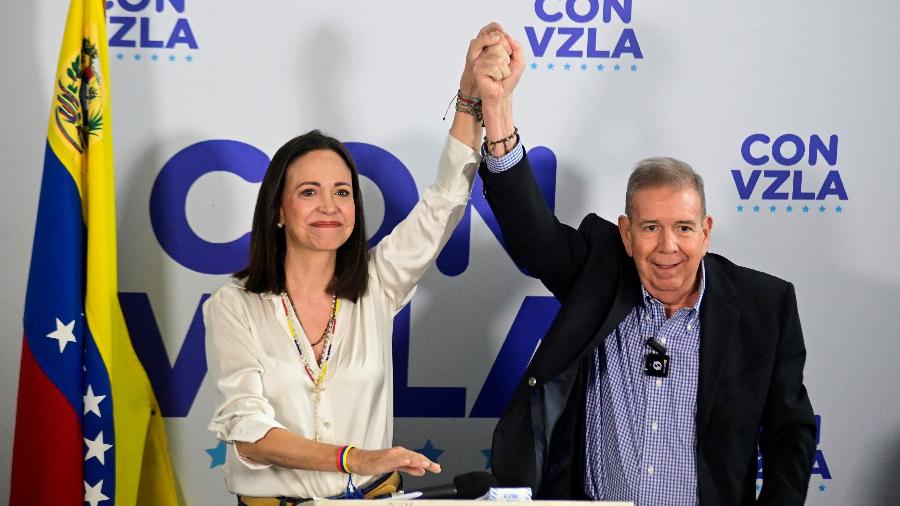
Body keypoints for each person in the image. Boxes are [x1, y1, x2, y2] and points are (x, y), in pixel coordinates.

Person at [474, 27, 817, 505]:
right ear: (627, 232)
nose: (667, 247)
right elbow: (533, 235)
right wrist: (498, 111)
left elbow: (791, 435)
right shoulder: (599, 272)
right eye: (651, 228)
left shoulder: (766, 305)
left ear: (706, 230)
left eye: (683, 227)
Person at [204, 25, 514, 505]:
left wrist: (471, 98)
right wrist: (356, 457)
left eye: (342, 192)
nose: (329, 206)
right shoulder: (234, 306)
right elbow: (249, 434)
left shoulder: (377, 283)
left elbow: (446, 200)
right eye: (309, 192)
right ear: (277, 211)